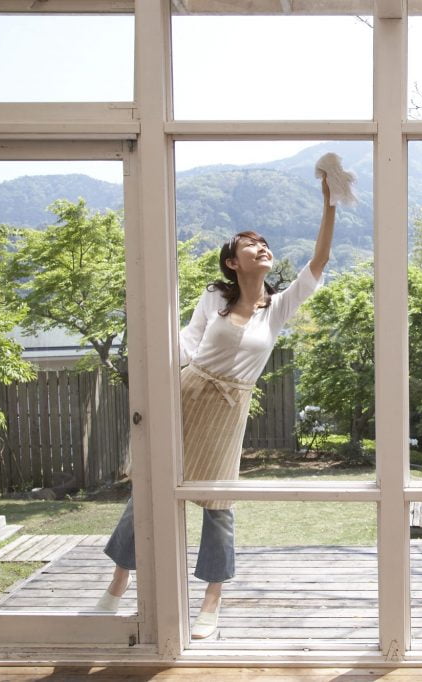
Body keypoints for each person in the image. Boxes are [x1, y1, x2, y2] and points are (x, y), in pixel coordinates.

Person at [96, 168, 340, 640]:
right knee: (147, 490)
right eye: (250, 244)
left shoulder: (280, 306)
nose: (261, 247)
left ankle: (211, 601)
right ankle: (119, 583)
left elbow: (321, 259)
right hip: (188, 394)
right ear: (232, 262)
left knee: (219, 504)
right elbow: (187, 343)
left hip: (229, 411)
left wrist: (328, 201)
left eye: (264, 242)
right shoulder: (214, 296)